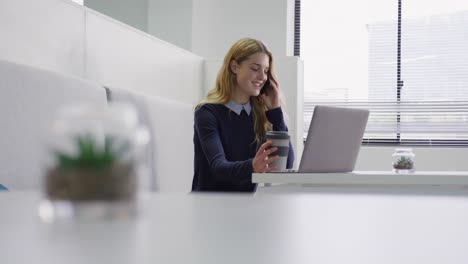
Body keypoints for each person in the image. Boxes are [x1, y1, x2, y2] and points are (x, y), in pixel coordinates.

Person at [191, 38, 294, 192]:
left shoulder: (259, 114)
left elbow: (286, 163)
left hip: (245, 208)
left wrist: (275, 111)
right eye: (255, 68)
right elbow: (218, 168)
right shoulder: (207, 112)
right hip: (208, 207)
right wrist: (253, 165)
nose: (263, 77)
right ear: (234, 67)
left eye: (266, 71)